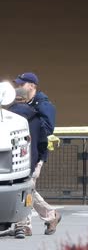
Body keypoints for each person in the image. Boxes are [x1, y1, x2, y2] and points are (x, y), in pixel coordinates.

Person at [14, 72, 61, 235]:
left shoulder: (43, 104)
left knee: (26, 187)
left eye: (21, 85)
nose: (18, 87)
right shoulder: (25, 104)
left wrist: (30, 120)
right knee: (27, 188)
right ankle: (50, 215)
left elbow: (47, 129)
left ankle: (25, 225)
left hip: (36, 153)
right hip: (24, 152)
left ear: (31, 86)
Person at [8, 88, 41, 238]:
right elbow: (43, 140)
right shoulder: (35, 115)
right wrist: (41, 158)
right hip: (29, 159)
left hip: (10, 160)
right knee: (25, 192)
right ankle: (22, 226)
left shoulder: (8, 116)